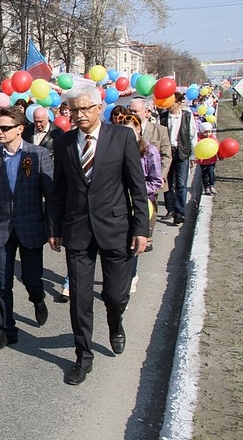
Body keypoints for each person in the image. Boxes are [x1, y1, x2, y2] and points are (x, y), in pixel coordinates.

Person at [46, 85, 149, 386]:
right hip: (77, 231)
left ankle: (115, 323)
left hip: (116, 229)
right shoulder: (64, 143)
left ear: (99, 108)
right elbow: (59, 190)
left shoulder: (122, 137)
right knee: (79, 298)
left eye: (83, 109)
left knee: (115, 296)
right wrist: (54, 228)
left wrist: (141, 229)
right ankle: (83, 356)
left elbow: (136, 188)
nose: (77, 115)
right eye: (73, 110)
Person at [0, 107, 53, 349]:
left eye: (5, 128)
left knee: (31, 279)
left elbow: (50, 196)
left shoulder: (38, 154)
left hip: (31, 227)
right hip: (2, 228)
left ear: (20, 129)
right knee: (2, 283)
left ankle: (38, 299)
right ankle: (8, 329)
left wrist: (54, 230)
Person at [115, 110, 163, 294]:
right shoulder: (115, 151)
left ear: (138, 131)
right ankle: (121, 278)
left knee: (134, 243)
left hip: (142, 204)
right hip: (119, 204)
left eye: (130, 132)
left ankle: (130, 277)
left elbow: (156, 181)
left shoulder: (149, 151)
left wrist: (136, 190)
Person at [129, 97, 171, 251]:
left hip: (152, 179)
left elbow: (167, 155)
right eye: (130, 110)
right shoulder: (123, 128)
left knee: (150, 208)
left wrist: (162, 175)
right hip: (131, 181)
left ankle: (148, 237)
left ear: (146, 112)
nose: (131, 113)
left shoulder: (160, 131)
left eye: (135, 111)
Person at [159, 92, 197, 225]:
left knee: (181, 183)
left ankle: (179, 212)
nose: (169, 105)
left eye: (172, 102)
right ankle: (170, 209)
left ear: (179, 103)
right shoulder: (163, 116)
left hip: (182, 152)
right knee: (167, 182)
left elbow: (192, 135)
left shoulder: (187, 116)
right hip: (167, 153)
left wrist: (193, 155)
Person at [196, 122, 219, 195]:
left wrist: (220, 155)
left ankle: (212, 185)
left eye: (209, 132)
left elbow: (217, 147)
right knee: (205, 174)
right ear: (202, 132)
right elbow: (197, 148)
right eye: (205, 132)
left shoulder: (213, 139)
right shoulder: (199, 139)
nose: (208, 134)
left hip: (212, 160)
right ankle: (206, 187)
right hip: (203, 161)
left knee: (211, 173)